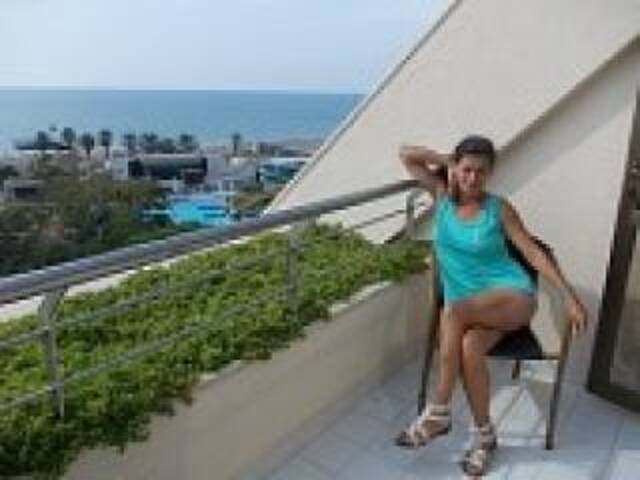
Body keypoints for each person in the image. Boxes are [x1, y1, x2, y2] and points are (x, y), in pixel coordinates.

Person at [395, 135, 588, 476]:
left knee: (452, 311)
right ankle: (485, 437)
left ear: (490, 174)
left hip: (511, 297)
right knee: (470, 348)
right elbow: (407, 154)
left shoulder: (499, 208)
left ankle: (439, 411)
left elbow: (532, 252)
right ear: (456, 168)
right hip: (471, 312)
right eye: (466, 169)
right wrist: (446, 160)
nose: (473, 178)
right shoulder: (442, 197)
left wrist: (568, 296)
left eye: (481, 172)